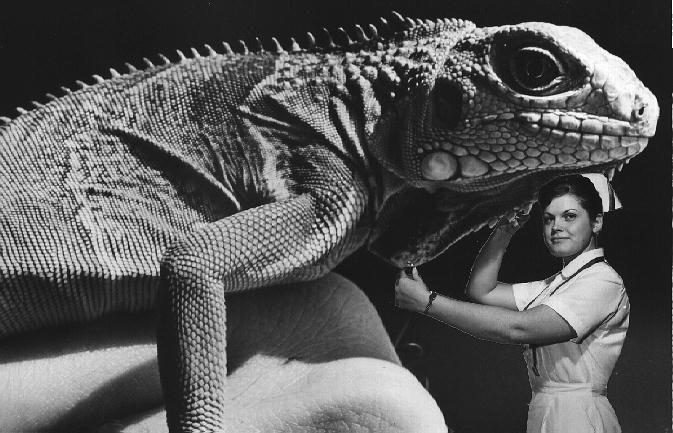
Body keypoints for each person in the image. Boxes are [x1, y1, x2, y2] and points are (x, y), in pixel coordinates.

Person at [394, 174, 629, 433]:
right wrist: (504, 232)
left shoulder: (602, 281)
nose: (556, 226)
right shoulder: (556, 285)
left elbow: (518, 328)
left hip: (578, 416)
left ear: (596, 222)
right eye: (549, 218)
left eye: (569, 216)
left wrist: (427, 303)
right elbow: (482, 291)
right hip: (548, 408)